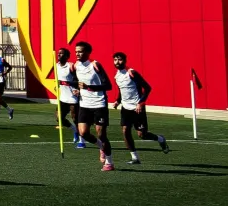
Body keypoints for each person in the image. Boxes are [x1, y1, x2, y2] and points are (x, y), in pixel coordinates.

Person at [111, 52, 170, 164]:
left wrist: (140, 103)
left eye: (120, 59)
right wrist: (118, 101)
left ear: (125, 60)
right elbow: (121, 90)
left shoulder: (132, 73)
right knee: (125, 130)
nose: (117, 62)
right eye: (115, 60)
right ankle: (135, 157)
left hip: (137, 108)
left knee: (142, 134)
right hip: (125, 108)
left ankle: (160, 139)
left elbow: (147, 88)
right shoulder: (117, 76)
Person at [73, 41, 115, 172]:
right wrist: (77, 90)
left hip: (99, 104)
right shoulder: (76, 66)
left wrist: (89, 87)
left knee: (101, 134)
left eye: (80, 51)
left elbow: (108, 85)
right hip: (84, 104)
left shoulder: (95, 65)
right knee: (83, 133)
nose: (77, 54)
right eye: (76, 52)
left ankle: (109, 162)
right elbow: (77, 83)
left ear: (88, 52)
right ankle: (101, 147)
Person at [56, 48, 82, 148]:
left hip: (72, 97)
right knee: (59, 118)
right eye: (58, 53)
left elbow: (79, 80)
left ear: (67, 56)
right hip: (63, 97)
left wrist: (77, 89)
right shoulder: (56, 66)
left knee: (75, 119)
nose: (59, 55)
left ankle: (81, 140)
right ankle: (74, 130)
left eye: (61, 53)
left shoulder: (71, 66)